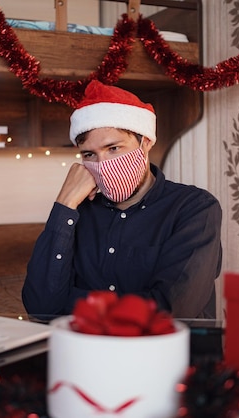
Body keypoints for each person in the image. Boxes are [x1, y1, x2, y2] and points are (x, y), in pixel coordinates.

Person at [21, 80, 222, 319]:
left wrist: (73, 302)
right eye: (89, 154)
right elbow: (40, 306)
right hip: (88, 351)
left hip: (168, 354)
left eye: (114, 148)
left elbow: (171, 310)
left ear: (145, 142)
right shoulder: (78, 213)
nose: (102, 164)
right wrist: (64, 204)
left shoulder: (194, 208)